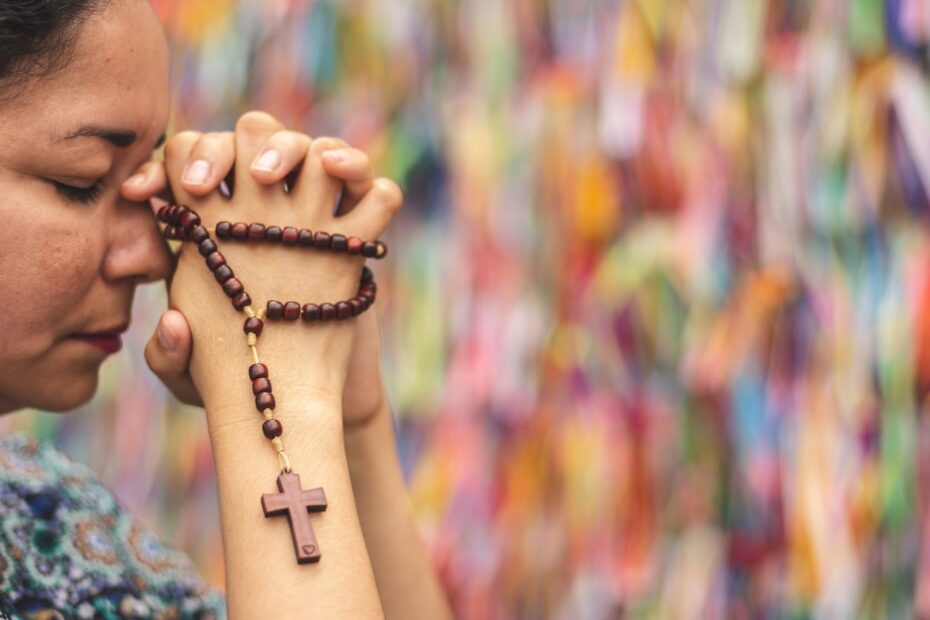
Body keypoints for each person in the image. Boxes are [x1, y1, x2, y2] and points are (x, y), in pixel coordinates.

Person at [0, 0, 451, 617]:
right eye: (80, 182)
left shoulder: (53, 512)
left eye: (145, 181)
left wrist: (350, 422)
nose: (152, 257)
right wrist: (276, 384)